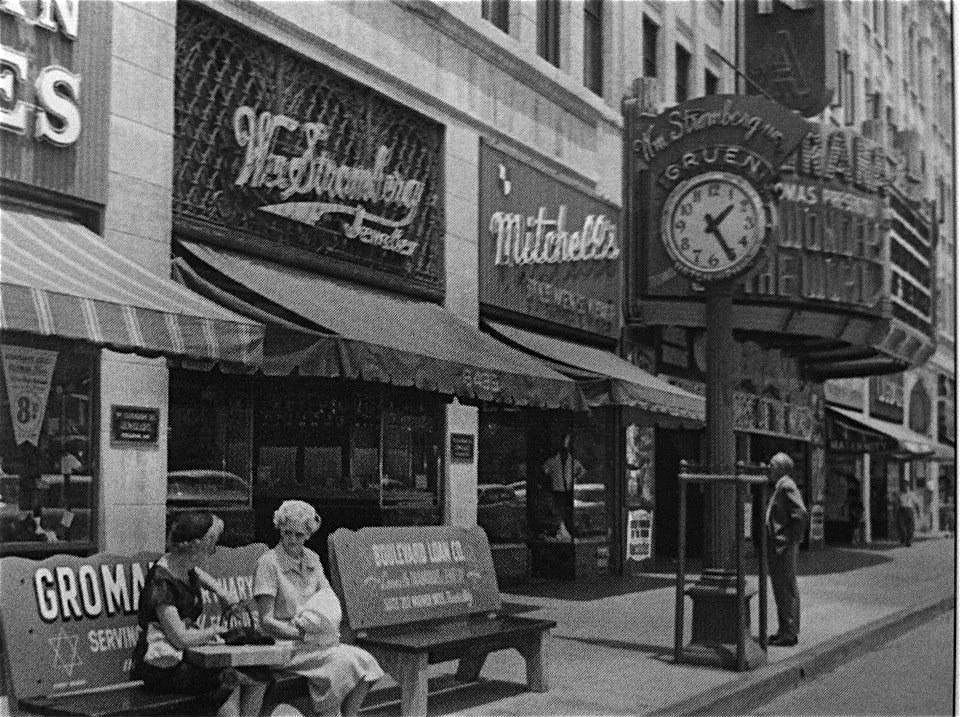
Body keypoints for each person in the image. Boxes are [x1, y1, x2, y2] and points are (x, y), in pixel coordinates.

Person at [130, 511, 269, 717]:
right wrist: (215, 631)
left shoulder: (183, 566)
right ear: (195, 546)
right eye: (210, 546)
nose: (213, 551)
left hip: (182, 658)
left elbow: (198, 575)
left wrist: (221, 592)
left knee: (259, 675)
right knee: (229, 679)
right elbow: (180, 639)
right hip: (162, 665)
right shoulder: (161, 583)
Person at [254, 500, 384, 717]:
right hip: (286, 646)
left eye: (299, 535)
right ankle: (329, 713)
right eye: (287, 533)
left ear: (308, 535)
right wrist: (302, 634)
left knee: (367, 663)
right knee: (342, 664)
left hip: (316, 640)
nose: (292, 540)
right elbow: (266, 621)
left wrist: (322, 628)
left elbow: (328, 599)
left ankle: (348, 715)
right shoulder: (269, 563)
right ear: (280, 530)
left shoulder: (312, 558)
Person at [765, 453, 809, 647]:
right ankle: (785, 630)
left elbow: (801, 513)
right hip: (780, 545)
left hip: (783, 546)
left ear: (782, 468)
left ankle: (789, 633)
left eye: (772, 465)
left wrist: (788, 539)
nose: (769, 468)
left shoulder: (786, 486)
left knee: (785, 588)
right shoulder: (780, 486)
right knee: (781, 588)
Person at [541, 433, 585, 541]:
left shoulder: (573, 461)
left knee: (568, 511)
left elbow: (582, 471)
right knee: (559, 511)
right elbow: (544, 471)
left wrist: (576, 478)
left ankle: (567, 531)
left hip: (569, 490)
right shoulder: (553, 461)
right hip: (558, 490)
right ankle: (561, 531)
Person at [896, 481, 919, 546]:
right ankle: (903, 539)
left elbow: (916, 503)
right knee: (901, 526)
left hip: (909, 510)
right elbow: (897, 503)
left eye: (906, 486)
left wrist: (918, 512)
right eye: (903, 486)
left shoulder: (912, 494)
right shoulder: (900, 494)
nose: (905, 487)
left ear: (908, 486)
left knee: (910, 527)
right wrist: (896, 511)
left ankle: (909, 541)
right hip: (901, 510)